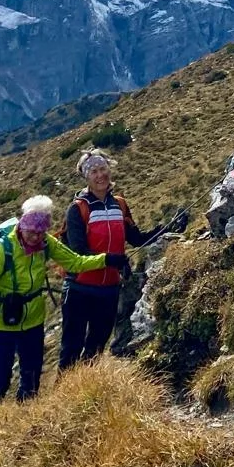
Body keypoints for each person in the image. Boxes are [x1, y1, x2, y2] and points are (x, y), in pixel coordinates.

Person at [0, 193, 123, 407]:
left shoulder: (46, 243)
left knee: (31, 378)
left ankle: (24, 418)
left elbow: (75, 262)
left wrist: (106, 259)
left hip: (33, 320)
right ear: (22, 226)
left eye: (40, 233)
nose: (35, 238)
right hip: (0, 322)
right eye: (31, 232)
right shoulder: (4, 248)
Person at [58, 150, 150, 371]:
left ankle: (88, 387)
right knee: (71, 349)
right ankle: (64, 390)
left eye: (103, 169)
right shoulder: (77, 209)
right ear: (86, 177)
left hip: (108, 289)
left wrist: (168, 228)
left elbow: (136, 239)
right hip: (79, 288)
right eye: (94, 172)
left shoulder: (120, 205)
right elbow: (78, 251)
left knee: (96, 348)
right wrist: (110, 260)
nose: (100, 175)